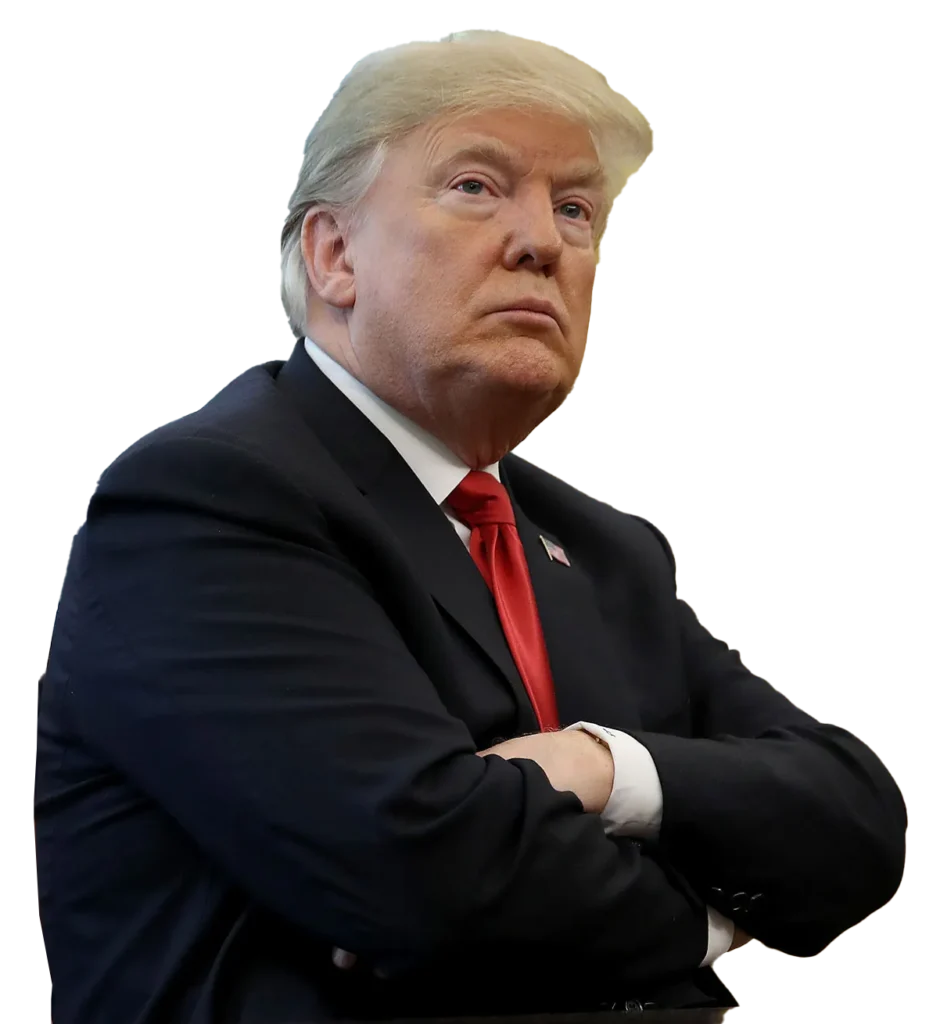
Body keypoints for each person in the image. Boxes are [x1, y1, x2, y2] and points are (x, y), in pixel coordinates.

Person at [32, 31, 907, 1024]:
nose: (542, 239)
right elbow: (421, 868)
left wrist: (605, 768)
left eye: (575, 208)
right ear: (332, 254)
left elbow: (857, 818)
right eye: (477, 187)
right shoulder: (207, 497)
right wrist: (706, 922)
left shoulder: (607, 548)